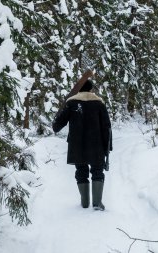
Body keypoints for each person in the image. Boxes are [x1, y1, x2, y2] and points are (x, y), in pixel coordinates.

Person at [52, 71, 112, 211]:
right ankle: (97, 203)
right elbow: (107, 127)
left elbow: (56, 126)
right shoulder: (99, 103)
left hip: (77, 144)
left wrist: (60, 112)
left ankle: (85, 203)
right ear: (91, 89)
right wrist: (107, 147)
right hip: (96, 144)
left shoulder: (71, 103)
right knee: (97, 171)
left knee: (81, 171)